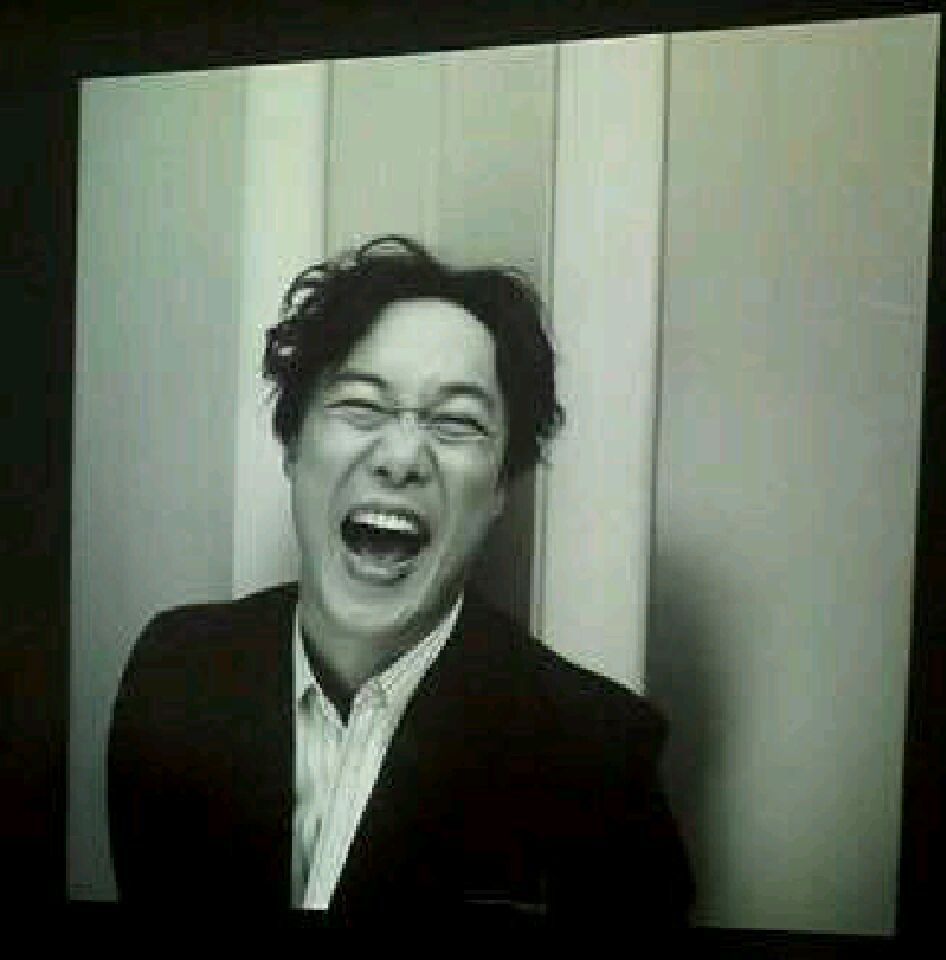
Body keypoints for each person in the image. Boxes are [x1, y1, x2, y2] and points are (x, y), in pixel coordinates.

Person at [108, 236, 694, 926]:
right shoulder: (174, 675)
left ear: (501, 487)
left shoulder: (599, 760)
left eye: (456, 421)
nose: (402, 456)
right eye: (362, 405)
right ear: (292, 445)